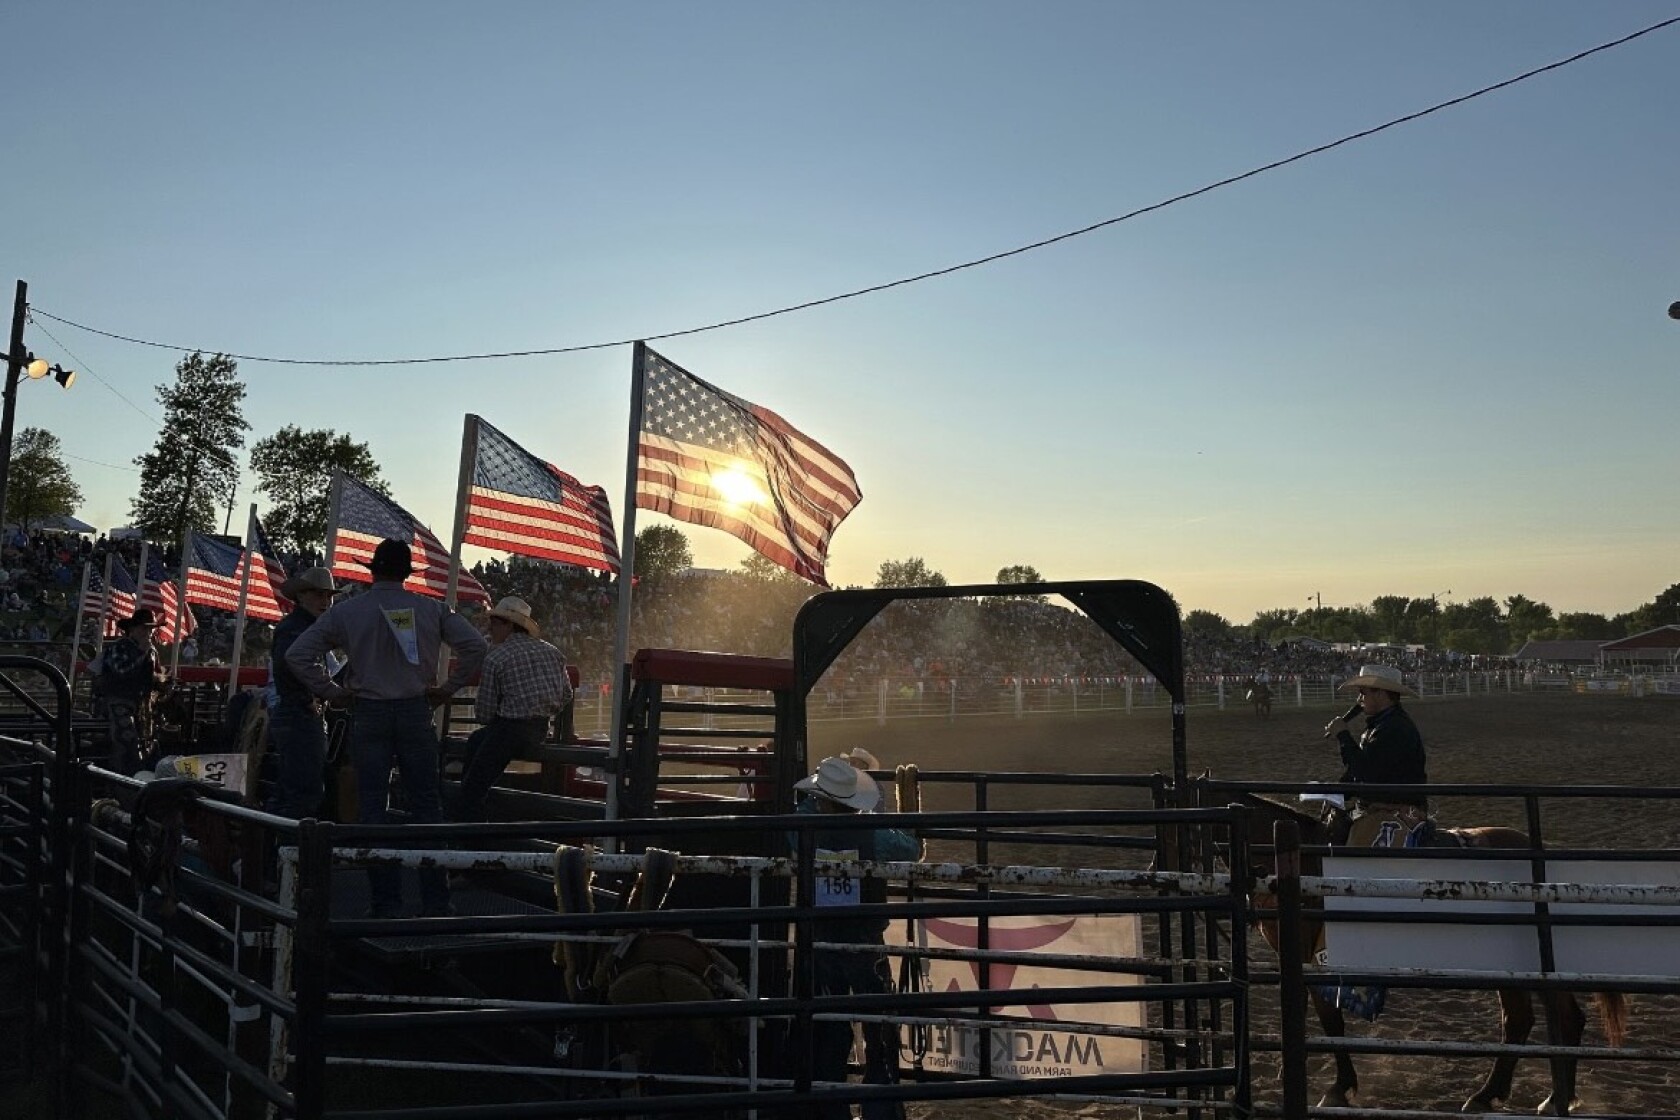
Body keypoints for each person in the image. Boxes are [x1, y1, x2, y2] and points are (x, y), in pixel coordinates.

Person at [285, 539, 487, 918]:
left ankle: (385, 904)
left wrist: (332, 692)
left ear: (373, 571)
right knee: (427, 807)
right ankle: (436, 902)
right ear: (406, 574)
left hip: (369, 711)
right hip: (414, 709)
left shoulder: (348, 612)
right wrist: (446, 689)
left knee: (373, 808)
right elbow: (475, 646)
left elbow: (297, 655)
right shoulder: (431, 609)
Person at [790, 755, 918, 1120]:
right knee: (879, 1027)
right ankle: (881, 1107)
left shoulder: (801, 826)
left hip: (821, 940)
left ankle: (830, 1107)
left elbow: (794, 819)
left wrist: (807, 801)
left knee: (826, 1027)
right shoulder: (873, 834)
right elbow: (910, 850)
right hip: (863, 941)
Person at [451, 596, 571, 822]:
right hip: (539, 728)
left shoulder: (496, 657)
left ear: (509, 624)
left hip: (508, 730)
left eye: (495, 622)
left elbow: (484, 714)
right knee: (478, 741)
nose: (491, 627)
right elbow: (566, 693)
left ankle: (470, 835)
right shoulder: (553, 652)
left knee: (472, 789)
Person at [266, 566, 348, 818]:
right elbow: (289, 665)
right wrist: (310, 697)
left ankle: (272, 848)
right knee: (305, 792)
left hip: (295, 712)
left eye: (328, 596)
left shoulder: (301, 626)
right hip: (299, 713)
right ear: (301, 596)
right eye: (318, 595)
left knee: (290, 789)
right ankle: (290, 850)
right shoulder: (297, 628)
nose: (325, 601)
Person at [1323, 663, 1427, 848]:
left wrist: (1343, 734)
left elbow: (1365, 771)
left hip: (1397, 808)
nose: (1359, 699)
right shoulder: (1384, 725)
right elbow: (1365, 771)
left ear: (1380, 694)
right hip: (1381, 804)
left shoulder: (1395, 729)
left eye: (1363, 692)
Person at [91, 609, 170, 774]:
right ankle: (121, 776)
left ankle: (137, 773)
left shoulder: (151, 651)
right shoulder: (120, 647)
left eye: (150, 629)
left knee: (146, 741)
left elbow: (153, 675)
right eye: (144, 628)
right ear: (132, 629)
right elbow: (121, 670)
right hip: (118, 701)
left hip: (143, 703)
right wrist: (142, 653)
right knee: (126, 742)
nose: (148, 632)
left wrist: (162, 680)